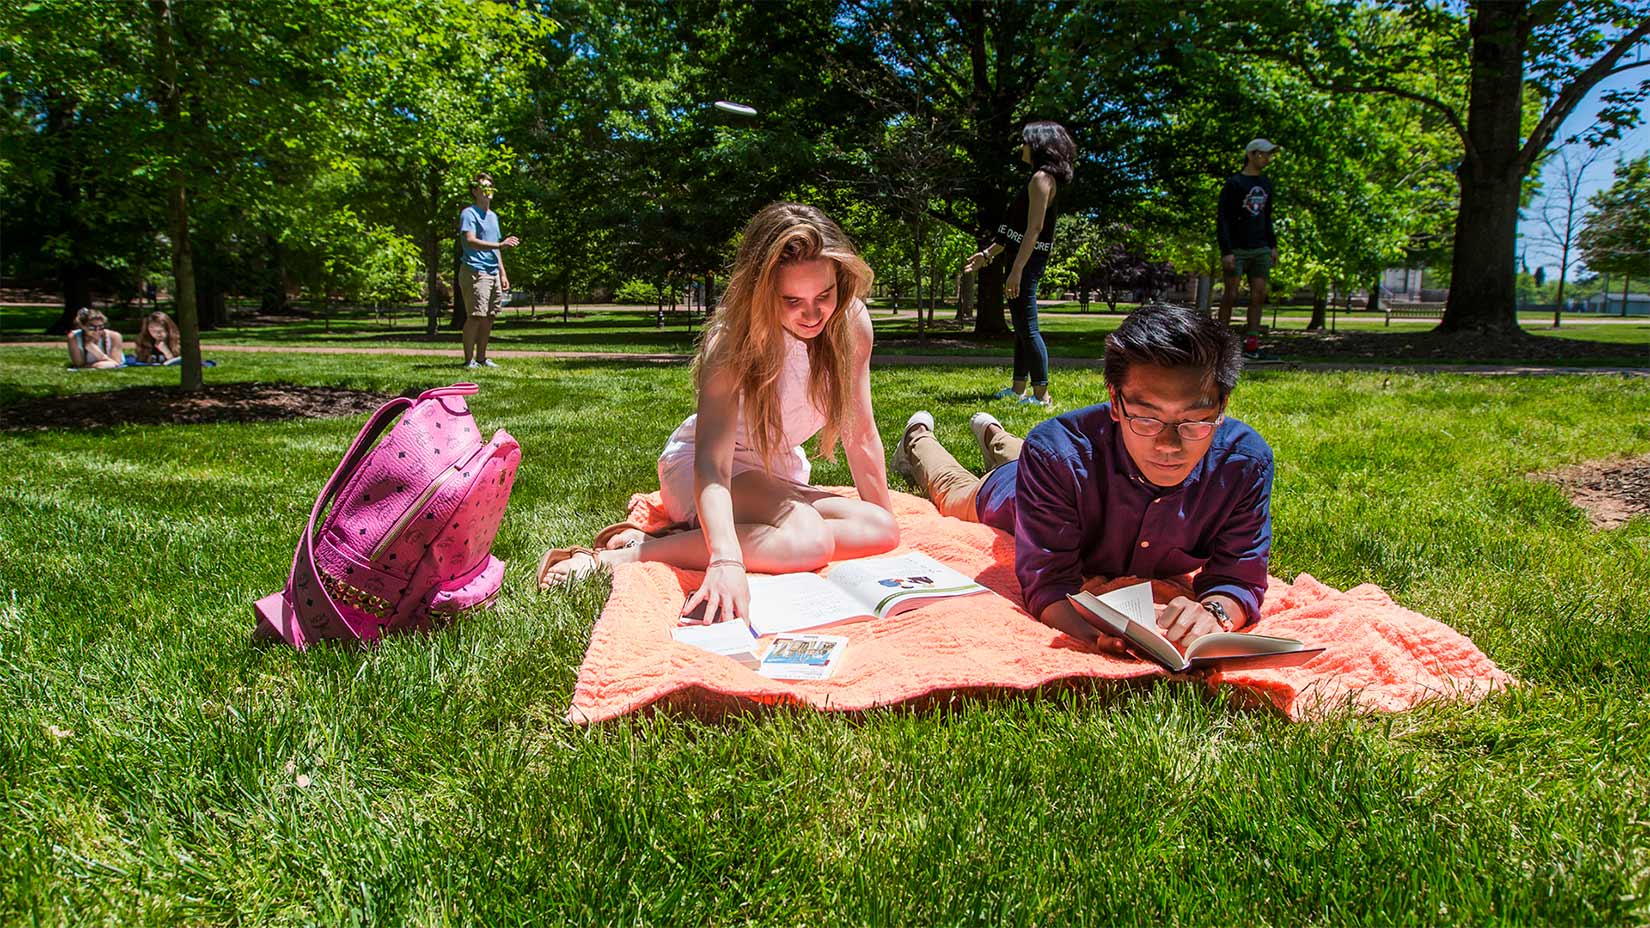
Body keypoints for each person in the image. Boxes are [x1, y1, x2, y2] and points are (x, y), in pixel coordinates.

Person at [537, 202, 901, 624]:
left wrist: (884, 527)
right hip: (704, 468)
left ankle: (703, 539)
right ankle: (624, 556)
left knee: (881, 529)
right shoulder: (731, 341)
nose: (813, 313)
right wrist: (726, 562)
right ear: (762, 293)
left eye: (824, 295)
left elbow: (859, 433)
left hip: (775, 467)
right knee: (808, 540)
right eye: (792, 300)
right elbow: (712, 465)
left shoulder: (850, 324)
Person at [891, 303, 1273, 652]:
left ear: (1222, 406)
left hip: (1067, 461)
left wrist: (1216, 615)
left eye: (1193, 421)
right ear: (1114, 401)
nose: (1169, 445)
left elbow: (1239, 577)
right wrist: (1094, 638)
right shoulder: (1055, 457)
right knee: (955, 493)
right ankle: (918, 439)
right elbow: (1048, 585)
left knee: (1041, 451)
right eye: (1146, 418)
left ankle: (994, 433)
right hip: (1017, 487)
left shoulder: (1244, 462)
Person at [963, 120, 1077, 409]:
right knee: (1022, 327)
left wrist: (1017, 271)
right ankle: (1018, 389)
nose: (1021, 146)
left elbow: (1034, 229)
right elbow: (1013, 230)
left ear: (1038, 145)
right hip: (1020, 257)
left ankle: (1041, 396)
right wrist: (987, 254)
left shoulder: (1042, 179)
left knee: (1028, 326)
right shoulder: (1038, 178)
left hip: (1027, 261)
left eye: (1025, 141)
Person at [1217, 138, 1280, 356]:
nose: (1267, 159)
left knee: (1258, 295)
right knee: (1231, 294)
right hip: (1237, 249)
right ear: (1251, 155)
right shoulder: (1234, 184)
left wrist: (1272, 245)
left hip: (1260, 246)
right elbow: (1223, 219)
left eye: (1269, 154)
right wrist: (1227, 251)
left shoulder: (1266, 184)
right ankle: (1223, 343)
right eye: (1264, 154)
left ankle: (1252, 343)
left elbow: (1267, 217)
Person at [457, 173, 519, 369]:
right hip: (475, 270)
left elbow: (495, 248)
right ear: (475, 191)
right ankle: (469, 360)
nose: (487, 190)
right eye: (483, 187)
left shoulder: (493, 217)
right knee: (475, 315)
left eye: (490, 186)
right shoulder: (469, 213)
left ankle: (482, 358)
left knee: (490, 316)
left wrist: (503, 273)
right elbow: (470, 240)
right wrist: (499, 245)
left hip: (492, 272)